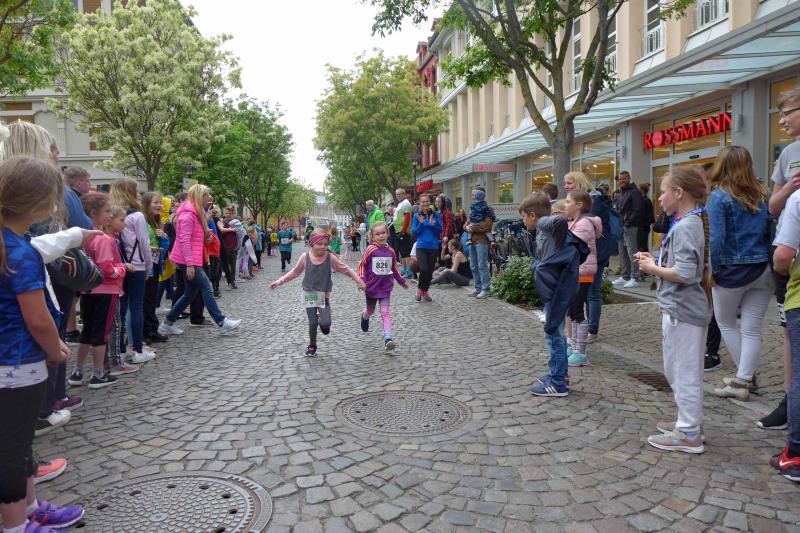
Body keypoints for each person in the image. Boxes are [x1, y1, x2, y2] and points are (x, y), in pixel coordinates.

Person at [0, 157, 86, 533]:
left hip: (12, 363)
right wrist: (54, 349)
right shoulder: (21, 253)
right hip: (18, 365)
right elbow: (37, 318)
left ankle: (30, 507)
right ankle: (17, 525)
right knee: (12, 451)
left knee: (20, 444)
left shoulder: (13, 243)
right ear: (38, 203)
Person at [636, 166, 711, 454]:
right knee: (677, 370)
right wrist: (655, 260)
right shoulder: (688, 222)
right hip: (681, 309)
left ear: (679, 193)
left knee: (683, 372)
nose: (659, 198)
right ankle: (688, 423)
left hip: (683, 311)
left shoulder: (687, 225)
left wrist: (653, 268)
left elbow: (685, 273)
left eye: (663, 192)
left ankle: (689, 433)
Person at [706, 147, 773, 401]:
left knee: (725, 322)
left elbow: (716, 239)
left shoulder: (718, 196)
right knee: (751, 329)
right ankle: (745, 377)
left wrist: (713, 270)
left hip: (732, 271)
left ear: (721, 165)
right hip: (763, 268)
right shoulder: (762, 193)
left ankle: (743, 380)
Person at [519, 192, 588, 397]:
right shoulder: (545, 231)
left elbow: (558, 221)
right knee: (555, 334)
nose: (523, 221)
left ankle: (557, 383)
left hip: (556, 293)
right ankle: (558, 375)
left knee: (554, 335)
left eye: (523, 217)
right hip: (554, 291)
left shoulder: (544, 225)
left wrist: (557, 215)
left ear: (532, 215)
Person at [760, 86, 800, 431]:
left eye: (787, 112)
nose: (782, 120)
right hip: (788, 252)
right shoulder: (788, 154)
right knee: (790, 330)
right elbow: (772, 207)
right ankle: (791, 401)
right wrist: (788, 190)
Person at [158, 184, 242, 337]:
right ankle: (221, 321)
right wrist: (190, 264)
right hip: (188, 259)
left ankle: (168, 323)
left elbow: (194, 238)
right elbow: (184, 240)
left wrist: (206, 238)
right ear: (199, 197)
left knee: (190, 293)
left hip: (191, 258)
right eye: (207, 195)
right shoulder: (188, 215)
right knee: (207, 287)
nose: (209, 198)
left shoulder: (195, 213)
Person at [69, 192, 132, 390]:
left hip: (88, 290)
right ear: (94, 214)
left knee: (87, 332)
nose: (110, 215)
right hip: (106, 290)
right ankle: (98, 374)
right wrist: (122, 268)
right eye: (107, 211)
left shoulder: (83, 237)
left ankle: (78, 372)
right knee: (101, 333)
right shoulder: (103, 239)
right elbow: (107, 269)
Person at [269, 229, 365, 356]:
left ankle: (322, 321)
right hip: (309, 294)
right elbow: (294, 272)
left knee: (326, 324)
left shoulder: (330, 258)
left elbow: (346, 269)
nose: (323, 247)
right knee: (312, 322)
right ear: (311, 243)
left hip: (323, 296)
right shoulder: (305, 257)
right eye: (319, 244)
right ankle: (312, 346)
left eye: (325, 244)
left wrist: (359, 281)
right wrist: (279, 281)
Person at [110, 177, 154, 366]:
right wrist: (149, 266)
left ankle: (120, 349)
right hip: (137, 265)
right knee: (136, 307)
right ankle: (137, 349)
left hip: (120, 265)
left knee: (121, 309)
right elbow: (144, 243)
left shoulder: (113, 214)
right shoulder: (137, 216)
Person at [357, 221, 409, 351]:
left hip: (385, 287)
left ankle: (388, 338)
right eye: (377, 234)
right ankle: (365, 316)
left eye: (383, 233)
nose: (381, 236)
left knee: (385, 312)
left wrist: (401, 281)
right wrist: (361, 280)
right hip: (371, 287)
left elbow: (394, 268)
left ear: (388, 233)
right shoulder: (370, 249)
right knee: (370, 310)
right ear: (372, 236)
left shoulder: (391, 251)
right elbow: (362, 264)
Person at [565, 189, 601, 367]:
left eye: (568, 202)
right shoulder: (577, 222)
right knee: (573, 310)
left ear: (579, 205)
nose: (565, 205)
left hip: (582, 273)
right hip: (576, 272)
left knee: (578, 311)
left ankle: (580, 352)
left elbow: (571, 246)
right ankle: (573, 347)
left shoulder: (584, 224)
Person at [141, 192, 170, 346]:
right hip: (146, 267)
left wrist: (164, 237)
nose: (159, 205)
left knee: (151, 299)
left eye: (160, 202)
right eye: (156, 202)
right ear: (147, 204)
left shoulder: (156, 223)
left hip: (155, 265)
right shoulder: (143, 222)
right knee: (145, 300)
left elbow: (164, 247)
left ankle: (152, 330)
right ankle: (146, 332)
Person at [612, 171, 643, 288]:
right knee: (622, 252)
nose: (621, 181)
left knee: (632, 252)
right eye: (620, 179)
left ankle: (635, 277)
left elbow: (638, 210)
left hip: (630, 227)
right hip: (620, 227)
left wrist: (628, 222)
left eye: (624, 179)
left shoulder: (634, 192)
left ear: (629, 178)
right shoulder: (622, 193)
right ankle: (625, 276)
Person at [465, 188, 495, 298]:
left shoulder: (487, 209)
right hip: (471, 241)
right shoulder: (473, 209)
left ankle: (485, 289)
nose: (472, 196)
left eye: (474, 194)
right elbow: (467, 223)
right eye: (472, 194)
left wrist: (472, 228)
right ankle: (478, 288)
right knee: (473, 266)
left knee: (482, 265)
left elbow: (487, 226)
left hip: (482, 241)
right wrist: (466, 227)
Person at [412, 194, 442, 302]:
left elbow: (439, 230)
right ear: (420, 203)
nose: (425, 203)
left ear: (430, 202)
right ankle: (420, 290)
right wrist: (422, 224)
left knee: (429, 271)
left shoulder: (436, 214)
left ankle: (425, 291)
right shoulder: (416, 215)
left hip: (433, 246)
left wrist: (432, 225)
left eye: (427, 201)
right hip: (421, 246)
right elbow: (415, 232)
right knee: (424, 269)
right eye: (423, 202)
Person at [392, 188, 413, 278]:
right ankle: (404, 269)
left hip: (404, 231)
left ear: (404, 194)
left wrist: (403, 231)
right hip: (398, 231)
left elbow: (407, 218)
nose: (398, 196)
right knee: (402, 252)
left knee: (406, 252)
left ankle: (409, 271)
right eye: (397, 194)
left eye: (400, 194)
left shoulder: (406, 203)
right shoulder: (400, 203)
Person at [218, 207, 240, 290]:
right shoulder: (221, 223)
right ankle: (219, 284)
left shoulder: (236, 223)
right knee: (222, 266)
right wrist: (230, 229)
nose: (228, 215)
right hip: (224, 248)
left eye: (230, 213)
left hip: (234, 247)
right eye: (226, 213)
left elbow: (240, 232)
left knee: (233, 266)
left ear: (233, 214)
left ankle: (232, 282)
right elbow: (220, 232)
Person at [638, 183, 654, 253]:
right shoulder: (646, 200)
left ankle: (645, 257)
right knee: (643, 244)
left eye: (640, 189)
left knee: (642, 245)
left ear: (642, 190)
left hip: (643, 226)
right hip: (645, 226)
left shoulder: (645, 200)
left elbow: (645, 214)